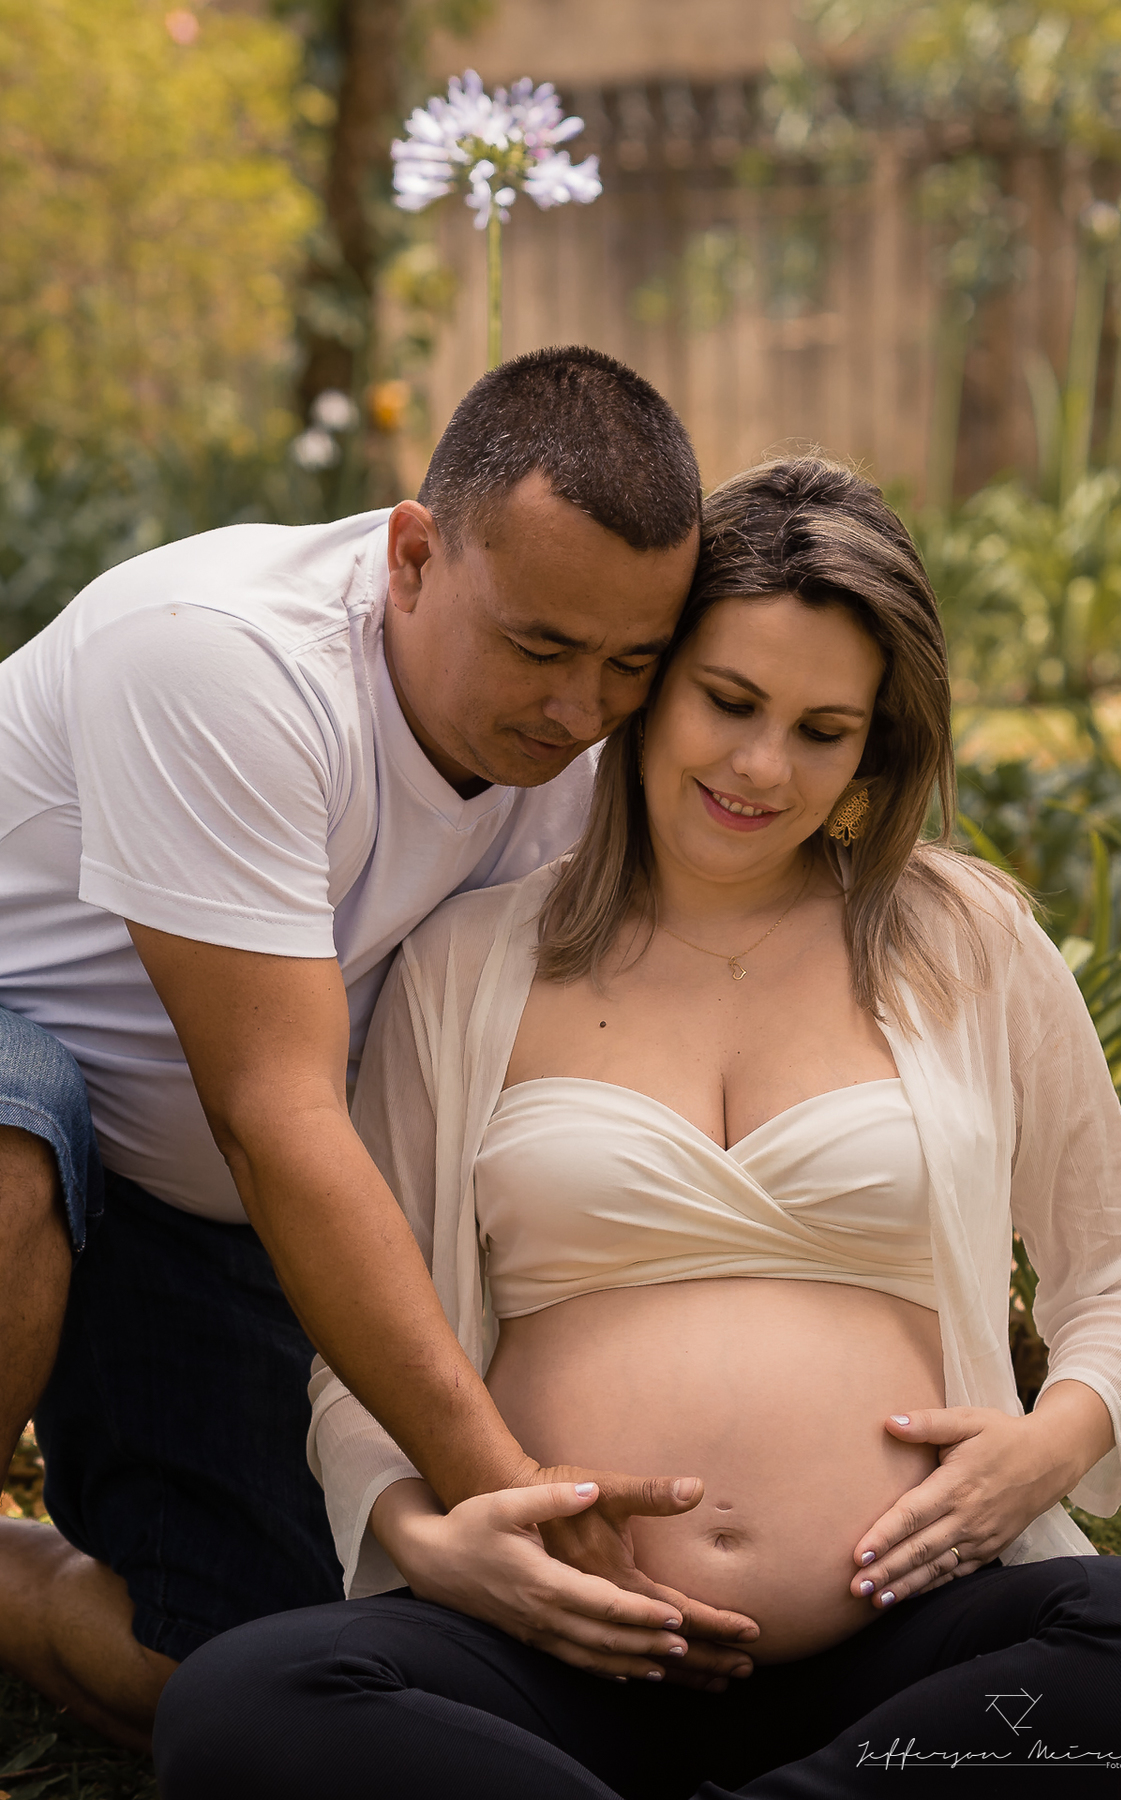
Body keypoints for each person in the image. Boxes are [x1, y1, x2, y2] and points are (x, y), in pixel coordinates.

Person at [153, 456, 1121, 1798]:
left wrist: (1044, 1448)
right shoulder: (476, 960)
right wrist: (428, 1531)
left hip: (908, 1653)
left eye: (825, 730)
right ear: (651, 686)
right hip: (557, 1662)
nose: (763, 767)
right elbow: (369, 1344)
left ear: (875, 744)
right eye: (730, 700)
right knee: (243, 1705)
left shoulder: (965, 941)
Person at [0, 346, 723, 1749]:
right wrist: (504, 1497)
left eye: (629, 664)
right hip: (56, 1082)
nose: (583, 711)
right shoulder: (220, 660)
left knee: (244, 1675)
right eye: (540, 649)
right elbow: (274, 1119)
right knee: (17, 1142)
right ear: (410, 556)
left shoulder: (599, 750)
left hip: (197, 1204)